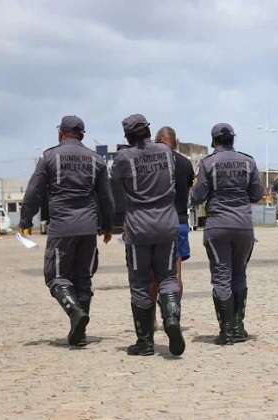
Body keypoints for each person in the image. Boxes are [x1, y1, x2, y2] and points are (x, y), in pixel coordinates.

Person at [19, 115, 115, 346]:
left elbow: (34, 192)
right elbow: (106, 197)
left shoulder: (49, 157)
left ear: (61, 133)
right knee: (83, 279)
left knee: (56, 277)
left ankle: (74, 313)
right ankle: (79, 334)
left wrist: (25, 220)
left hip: (62, 228)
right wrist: (108, 226)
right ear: (81, 135)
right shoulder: (96, 160)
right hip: (88, 227)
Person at [110, 114, 185, 357]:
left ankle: (145, 342)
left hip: (138, 228)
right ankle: (172, 319)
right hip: (167, 224)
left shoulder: (124, 157)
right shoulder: (165, 152)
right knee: (168, 277)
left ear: (128, 136)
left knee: (141, 283)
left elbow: (114, 178)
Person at [190, 123, 264, 345]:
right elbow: (257, 193)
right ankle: (239, 327)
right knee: (239, 274)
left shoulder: (207, 163)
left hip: (217, 226)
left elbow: (198, 195)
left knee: (222, 276)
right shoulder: (248, 161)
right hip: (243, 226)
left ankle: (227, 330)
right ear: (233, 139)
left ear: (214, 141)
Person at [150, 126, 194, 328]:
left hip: (157, 221)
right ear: (176, 141)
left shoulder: (153, 161)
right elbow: (186, 192)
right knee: (176, 275)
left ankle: (150, 320)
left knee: (152, 275)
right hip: (180, 221)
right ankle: (174, 316)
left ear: (158, 139)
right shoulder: (185, 163)